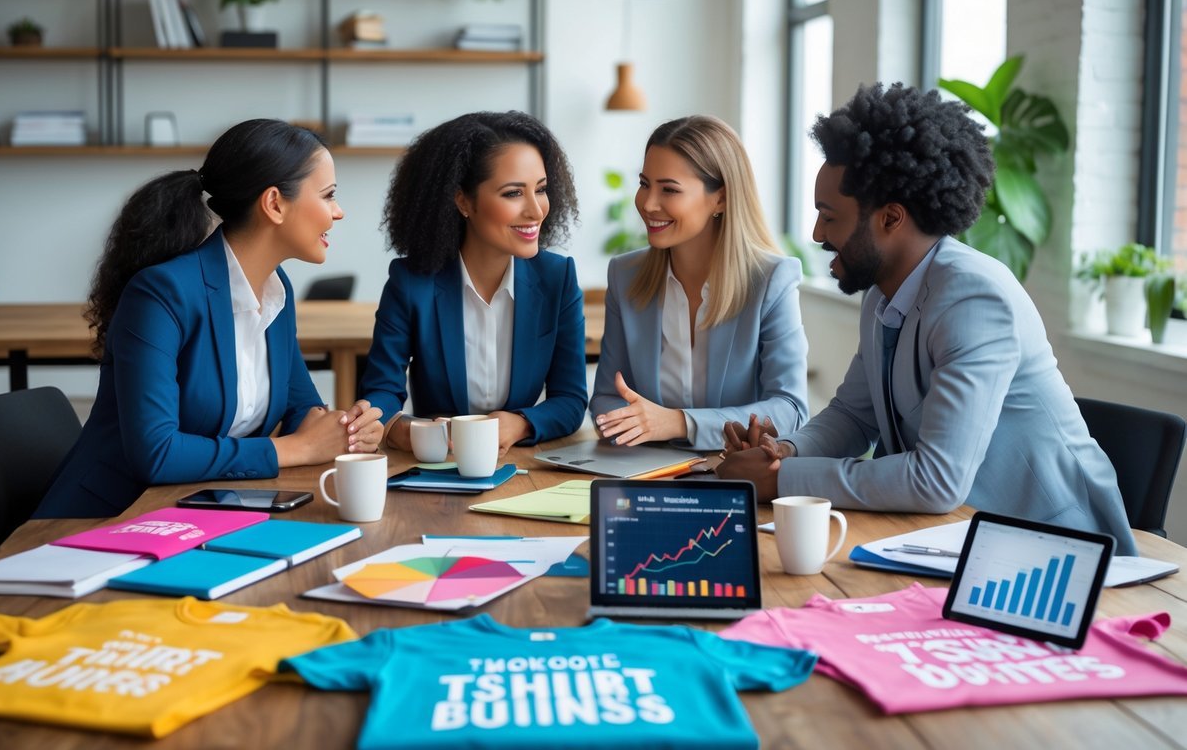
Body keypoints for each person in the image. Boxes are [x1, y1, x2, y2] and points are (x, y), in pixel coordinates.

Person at [718, 83, 1137, 555]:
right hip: (956, 538)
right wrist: (785, 452)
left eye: (828, 216)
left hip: (1054, 552)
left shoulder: (974, 299)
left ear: (891, 219)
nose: (817, 233)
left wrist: (781, 481)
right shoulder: (883, 293)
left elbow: (937, 480)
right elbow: (856, 415)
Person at [35, 119, 383, 519]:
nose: (338, 212)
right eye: (329, 196)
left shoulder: (275, 289)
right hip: (103, 520)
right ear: (274, 204)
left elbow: (301, 407)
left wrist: (347, 430)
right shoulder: (161, 294)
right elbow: (157, 452)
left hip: (198, 513)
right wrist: (298, 448)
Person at [360, 111, 586, 457]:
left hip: (521, 463)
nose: (536, 210)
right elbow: (381, 391)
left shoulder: (558, 278)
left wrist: (520, 423)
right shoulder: (411, 283)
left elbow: (570, 400)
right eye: (513, 194)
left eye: (540, 190)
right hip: (435, 467)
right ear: (463, 201)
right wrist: (406, 430)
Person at [590, 115, 808, 451]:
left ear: (720, 199)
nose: (648, 204)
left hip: (735, 475)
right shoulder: (625, 275)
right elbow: (606, 397)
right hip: (644, 472)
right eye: (644, 183)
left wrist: (678, 423)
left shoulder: (771, 281)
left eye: (669, 189)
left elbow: (790, 410)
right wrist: (629, 424)